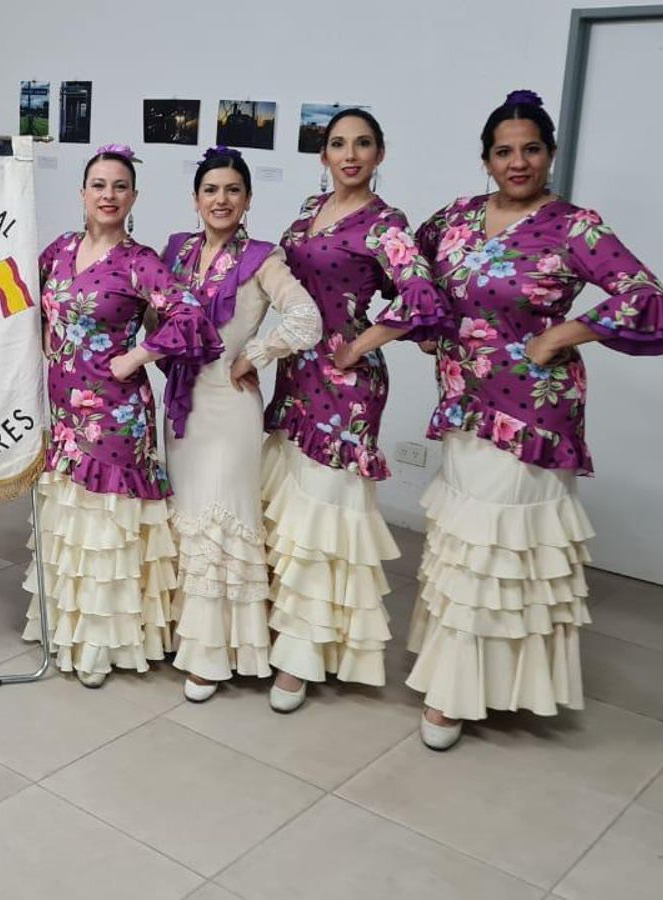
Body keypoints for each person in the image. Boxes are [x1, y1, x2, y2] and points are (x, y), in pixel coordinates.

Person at [405, 90, 663, 750]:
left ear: (550, 154)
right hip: (463, 402)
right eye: (504, 151)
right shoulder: (454, 218)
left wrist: (567, 331)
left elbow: (647, 298)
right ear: (485, 159)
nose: (518, 161)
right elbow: (412, 269)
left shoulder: (574, 226)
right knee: (466, 540)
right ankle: (467, 676)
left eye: (531, 149)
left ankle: (459, 696)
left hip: (535, 409)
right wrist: (425, 326)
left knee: (503, 544)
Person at [260, 110, 445, 711]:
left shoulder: (387, 224)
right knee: (291, 507)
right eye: (338, 144)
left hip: (345, 385)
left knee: (325, 514)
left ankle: (303, 656)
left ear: (380, 154)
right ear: (323, 155)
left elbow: (421, 298)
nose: (350, 154)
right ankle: (287, 626)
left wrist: (359, 344)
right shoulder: (305, 214)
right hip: (294, 373)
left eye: (362, 144)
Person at [24, 143, 222, 687]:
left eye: (119, 186)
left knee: (106, 526)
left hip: (116, 412)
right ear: (82, 193)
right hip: (65, 410)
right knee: (74, 522)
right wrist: (44, 333)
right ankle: (69, 626)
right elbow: (28, 296)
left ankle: (102, 645)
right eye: (98, 185)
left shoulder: (140, 261)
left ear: (133, 196)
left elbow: (189, 318)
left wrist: (135, 356)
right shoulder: (60, 250)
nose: (108, 195)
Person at [160, 146, 322, 703]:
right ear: (196, 199)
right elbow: (157, 314)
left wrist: (255, 355)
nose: (220, 200)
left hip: (230, 407)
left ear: (248, 199)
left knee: (221, 521)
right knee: (188, 515)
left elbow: (307, 317)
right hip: (181, 404)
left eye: (232, 190)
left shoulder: (261, 258)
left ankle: (215, 656)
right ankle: (188, 634)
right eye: (211, 190)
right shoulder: (177, 252)